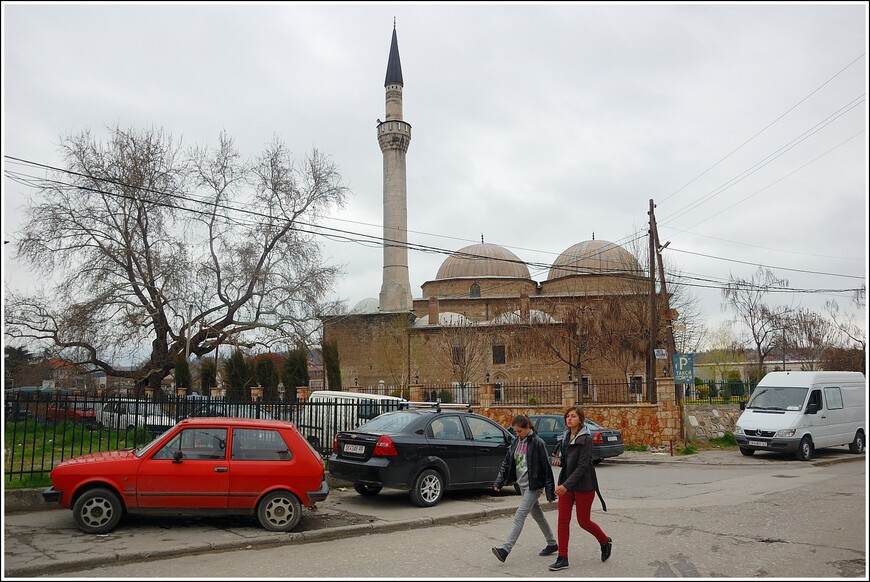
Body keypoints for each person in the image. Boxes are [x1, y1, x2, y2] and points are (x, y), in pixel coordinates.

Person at [548, 405, 611, 571]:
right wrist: (558, 461)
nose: (570, 419)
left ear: (580, 419)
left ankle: (605, 541)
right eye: (568, 416)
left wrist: (566, 486)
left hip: (583, 485)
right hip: (566, 484)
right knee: (562, 520)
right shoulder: (566, 436)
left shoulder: (586, 439)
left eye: (573, 416)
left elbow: (582, 466)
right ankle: (562, 557)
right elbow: (567, 462)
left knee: (584, 522)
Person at [491, 414, 558, 563]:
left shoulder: (538, 443)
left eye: (520, 431)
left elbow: (546, 469)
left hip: (534, 486)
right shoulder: (516, 442)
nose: (517, 434)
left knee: (519, 515)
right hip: (522, 485)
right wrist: (499, 482)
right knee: (538, 515)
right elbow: (507, 463)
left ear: (528, 428)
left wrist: (550, 492)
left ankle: (505, 549)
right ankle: (552, 543)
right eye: (515, 431)